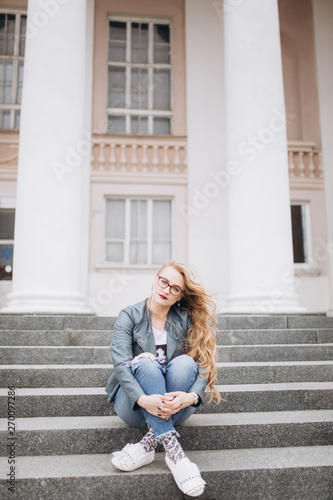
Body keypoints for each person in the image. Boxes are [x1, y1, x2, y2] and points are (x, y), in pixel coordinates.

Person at [105, 261, 220, 497]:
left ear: (180, 296)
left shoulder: (185, 319)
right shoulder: (129, 315)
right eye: (164, 282)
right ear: (155, 279)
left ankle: (148, 444)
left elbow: (203, 364)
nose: (166, 289)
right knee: (145, 363)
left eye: (175, 288)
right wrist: (142, 399)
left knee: (186, 362)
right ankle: (176, 456)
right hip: (133, 406)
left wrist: (192, 396)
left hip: (177, 407)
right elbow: (121, 365)